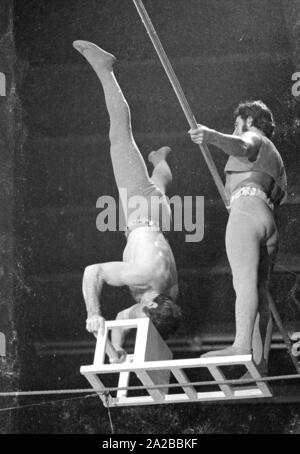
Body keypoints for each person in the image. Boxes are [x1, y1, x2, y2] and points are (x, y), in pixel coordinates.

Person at [73, 41, 182, 362]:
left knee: (159, 181)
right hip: (139, 212)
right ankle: (106, 69)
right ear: (149, 307)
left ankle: (159, 158)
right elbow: (93, 272)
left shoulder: (168, 296)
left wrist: (116, 349)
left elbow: (123, 319)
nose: (136, 317)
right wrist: (93, 313)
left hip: (161, 219)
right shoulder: (143, 278)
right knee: (120, 136)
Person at [189, 100, 287, 374]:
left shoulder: (254, 136)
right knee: (259, 291)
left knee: (243, 283)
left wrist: (211, 136)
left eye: (237, 123)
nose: (236, 128)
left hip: (245, 214)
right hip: (266, 220)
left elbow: (242, 145)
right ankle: (259, 365)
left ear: (249, 120)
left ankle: (242, 345)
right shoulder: (274, 157)